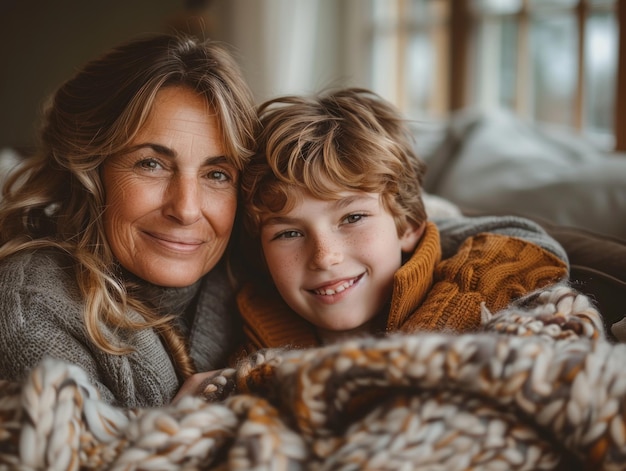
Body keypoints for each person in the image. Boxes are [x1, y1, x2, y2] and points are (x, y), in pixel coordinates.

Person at [0, 32, 258, 407]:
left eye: (216, 173)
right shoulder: (33, 309)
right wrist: (176, 427)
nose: (186, 209)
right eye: (151, 164)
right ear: (90, 170)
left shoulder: (261, 276)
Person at [236, 88, 568, 349]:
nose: (325, 257)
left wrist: (423, 340)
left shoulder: (456, 275)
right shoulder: (253, 330)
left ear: (409, 225)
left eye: (352, 217)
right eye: (289, 234)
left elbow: (528, 245)